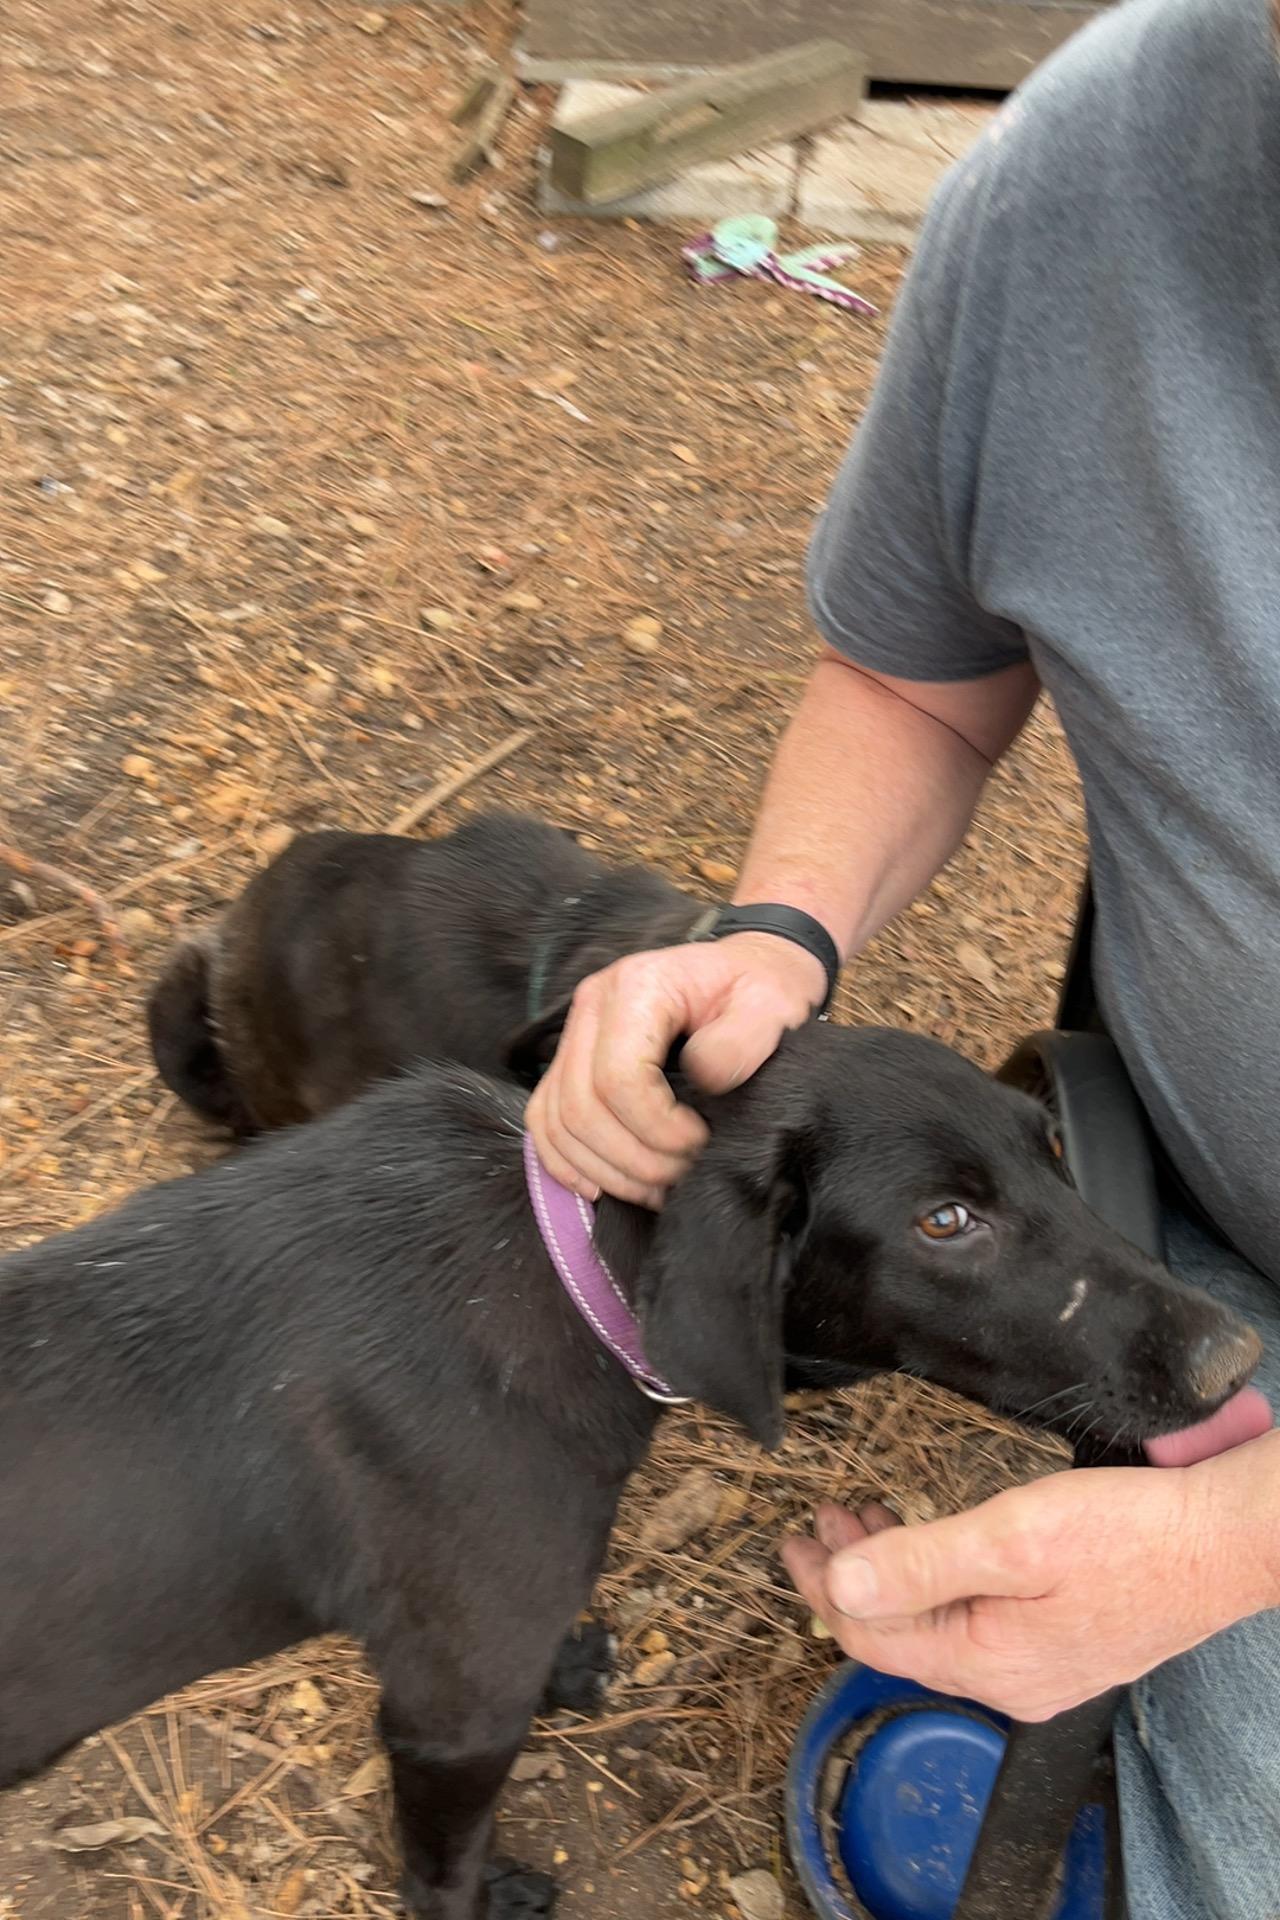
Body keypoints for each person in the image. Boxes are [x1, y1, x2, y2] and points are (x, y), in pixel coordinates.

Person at [528, 0, 1280, 1911]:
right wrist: (777, 933)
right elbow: (913, 681)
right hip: (1198, 1207)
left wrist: (1233, 1550)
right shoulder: (1087, 171)